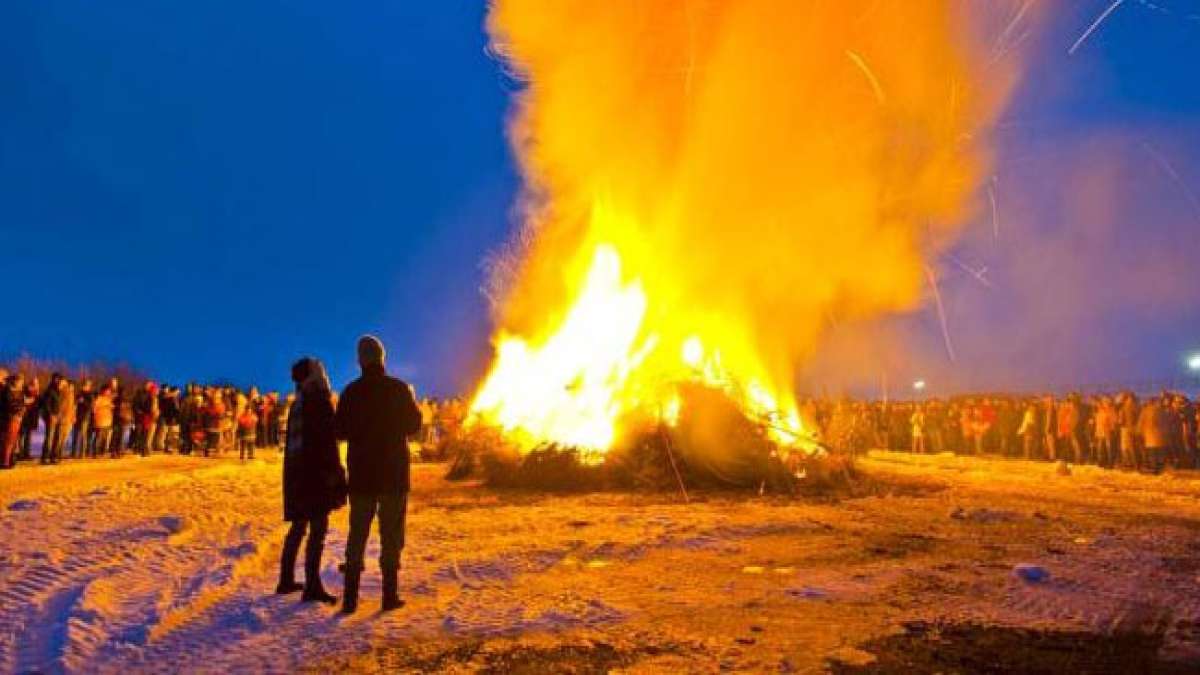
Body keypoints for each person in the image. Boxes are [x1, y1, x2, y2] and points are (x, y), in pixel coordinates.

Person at [334, 335, 422, 614]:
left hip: (361, 475)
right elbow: (413, 425)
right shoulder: (398, 390)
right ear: (383, 358)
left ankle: (350, 599)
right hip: (393, 475)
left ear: (361, 361)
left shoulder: (351, 393)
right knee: (391, 535)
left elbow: (340, 432)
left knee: (357, 534)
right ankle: (389, 595)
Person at [278, 357, 346, 604]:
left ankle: (285, 578)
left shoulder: (298, 402)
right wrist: (335, 474)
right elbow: (327, 443)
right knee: (317, 530)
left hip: (298, 475)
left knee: (298, 527)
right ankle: (312, 585)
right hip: (316, 476)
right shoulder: (318, 401)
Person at [1, 374, 27, 468]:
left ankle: (10, 459)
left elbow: (20, 402)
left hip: (17, 418)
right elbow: (9, 404)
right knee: (8, 441)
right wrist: (20, 407)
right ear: (14, 382)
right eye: (20, 382)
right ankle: (5, 461)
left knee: (13, 441)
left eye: (21, 382)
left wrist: (23, 406)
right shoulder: (7, 391)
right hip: (9, 418)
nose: (21, 384)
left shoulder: (19, 392)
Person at [91, 385, 115, 459]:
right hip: (100, 421)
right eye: (107, 391)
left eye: (109, 391)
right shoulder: (99, 398)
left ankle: (102, 452)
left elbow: (112, 407)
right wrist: (103, 408)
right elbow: (94, 408)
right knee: (99, 438)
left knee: (105, 438)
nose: (108, 392)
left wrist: (110, 407)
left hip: (107, 421)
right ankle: (95, 452)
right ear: (103, 391)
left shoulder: (109, 399)